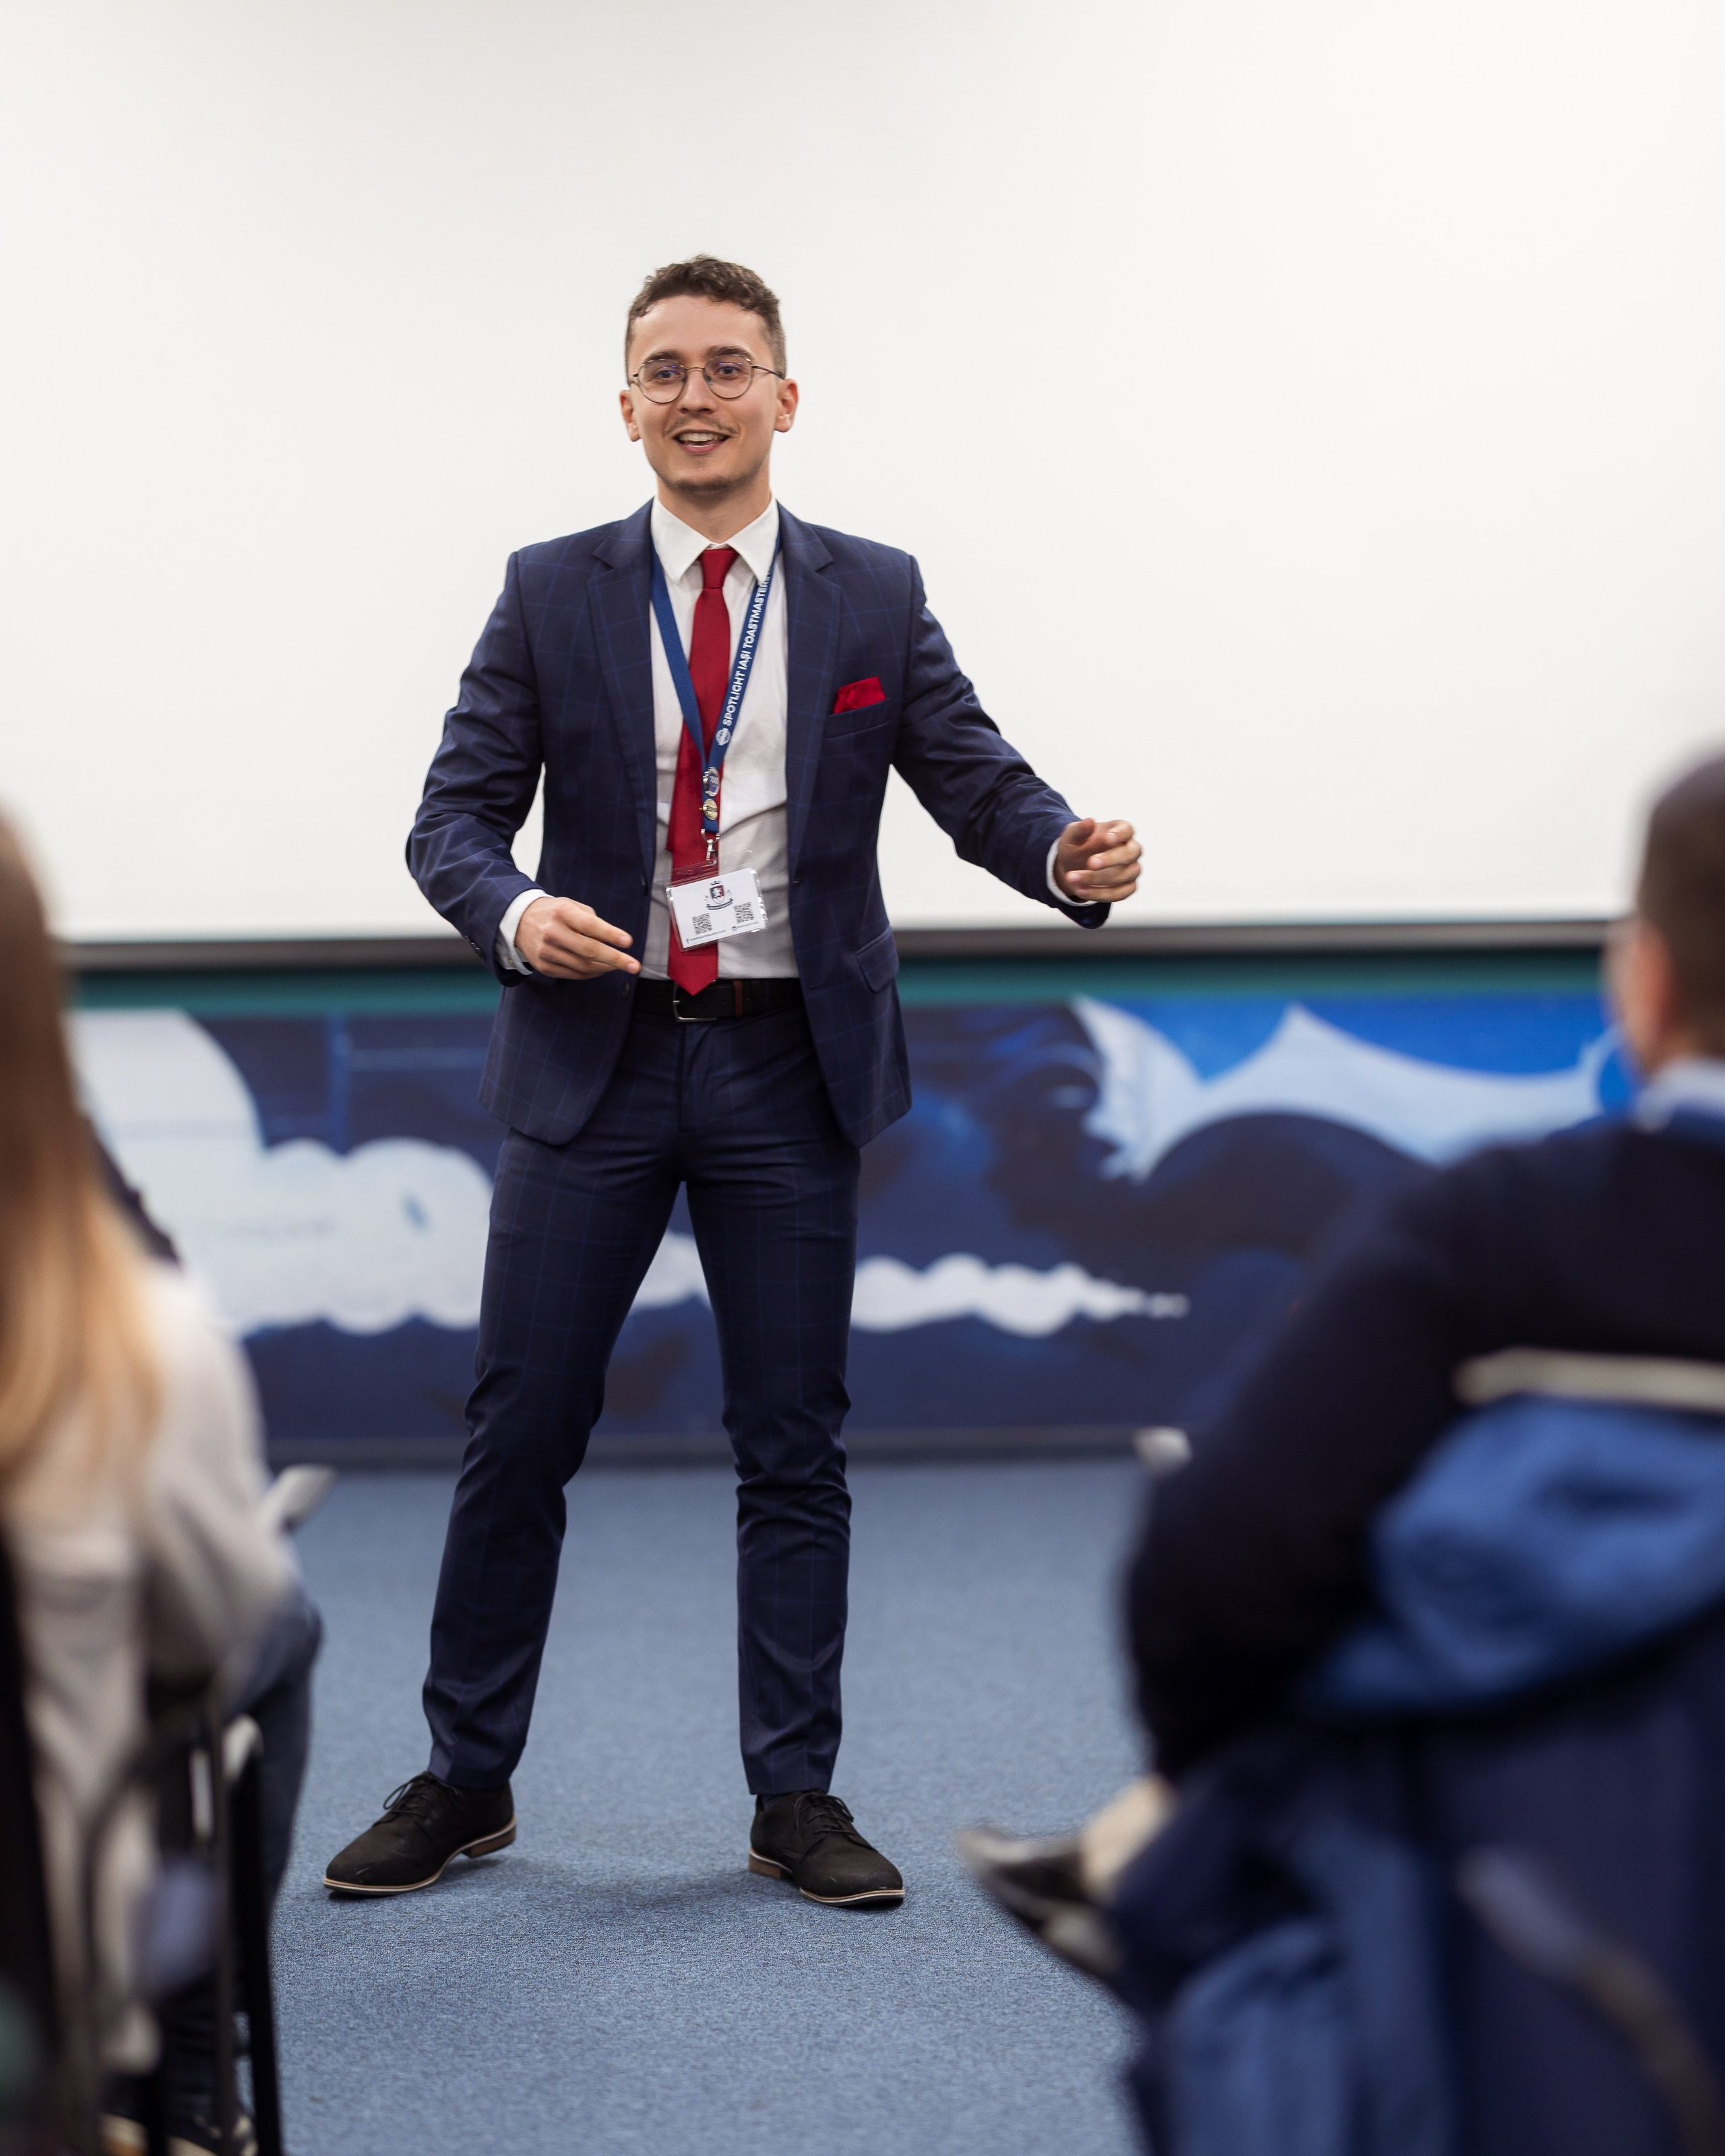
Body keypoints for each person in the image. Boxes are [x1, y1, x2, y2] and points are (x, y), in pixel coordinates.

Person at [325, 253, 1142, 1908]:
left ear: (785, 394)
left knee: (792, 1441)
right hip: (595, 1062)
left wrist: (1060, 849)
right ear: (623, 406)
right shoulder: (552, 589)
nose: (695, 396)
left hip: (786, 1065)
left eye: (726, 366)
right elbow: (449, 822)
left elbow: (970, 777)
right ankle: (464, 1778)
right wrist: (511, 908)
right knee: (519, 1427)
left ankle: (795, 1796)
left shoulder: (868, 593)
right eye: (664, 371)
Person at [965, 752, 1725, 2151]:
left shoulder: (1494, 1232)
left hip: (1523, 1897)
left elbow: (1210, 1571)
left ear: (1644, 982)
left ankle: (1144, 1846)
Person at [0, 814, 296, 2149]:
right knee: (269, 1636)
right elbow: (209, 1622)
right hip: (37, 2009)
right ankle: (185, 2077)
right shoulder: (130, 1351)